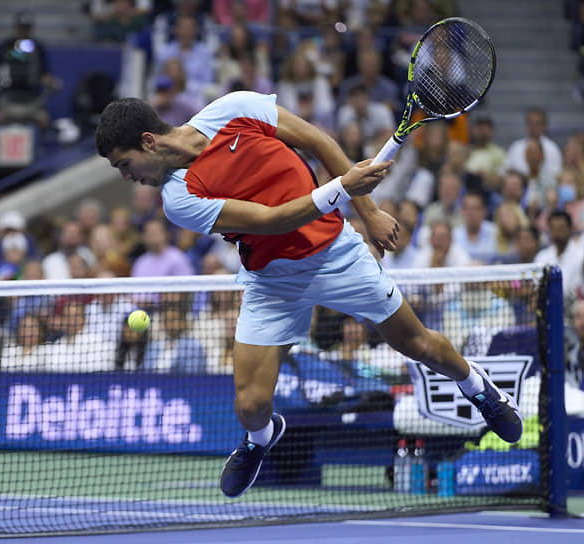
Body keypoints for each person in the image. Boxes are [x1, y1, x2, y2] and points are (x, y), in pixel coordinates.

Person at [96, 91, 524, 498]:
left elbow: (317, 139)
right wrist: (343, 188)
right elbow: (271, 220)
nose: (126, 176)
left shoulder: (235, 109)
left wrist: (369, 213)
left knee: (416, 343)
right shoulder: (177, 197)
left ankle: (478, 387)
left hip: (336, 255)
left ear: (148, 142)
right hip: (272, 282)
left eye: (124, 164)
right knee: (250, 403)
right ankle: (261, 438)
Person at [0, 10, 60, 128]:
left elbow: (45, 75)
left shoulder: (37, 48)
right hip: (8, 100)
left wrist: (51, 82)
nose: (23, 32)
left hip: (32, 100)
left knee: (43, 119)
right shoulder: (3, 47)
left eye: (26, 29)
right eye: (20, 28)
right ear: (15, 27)